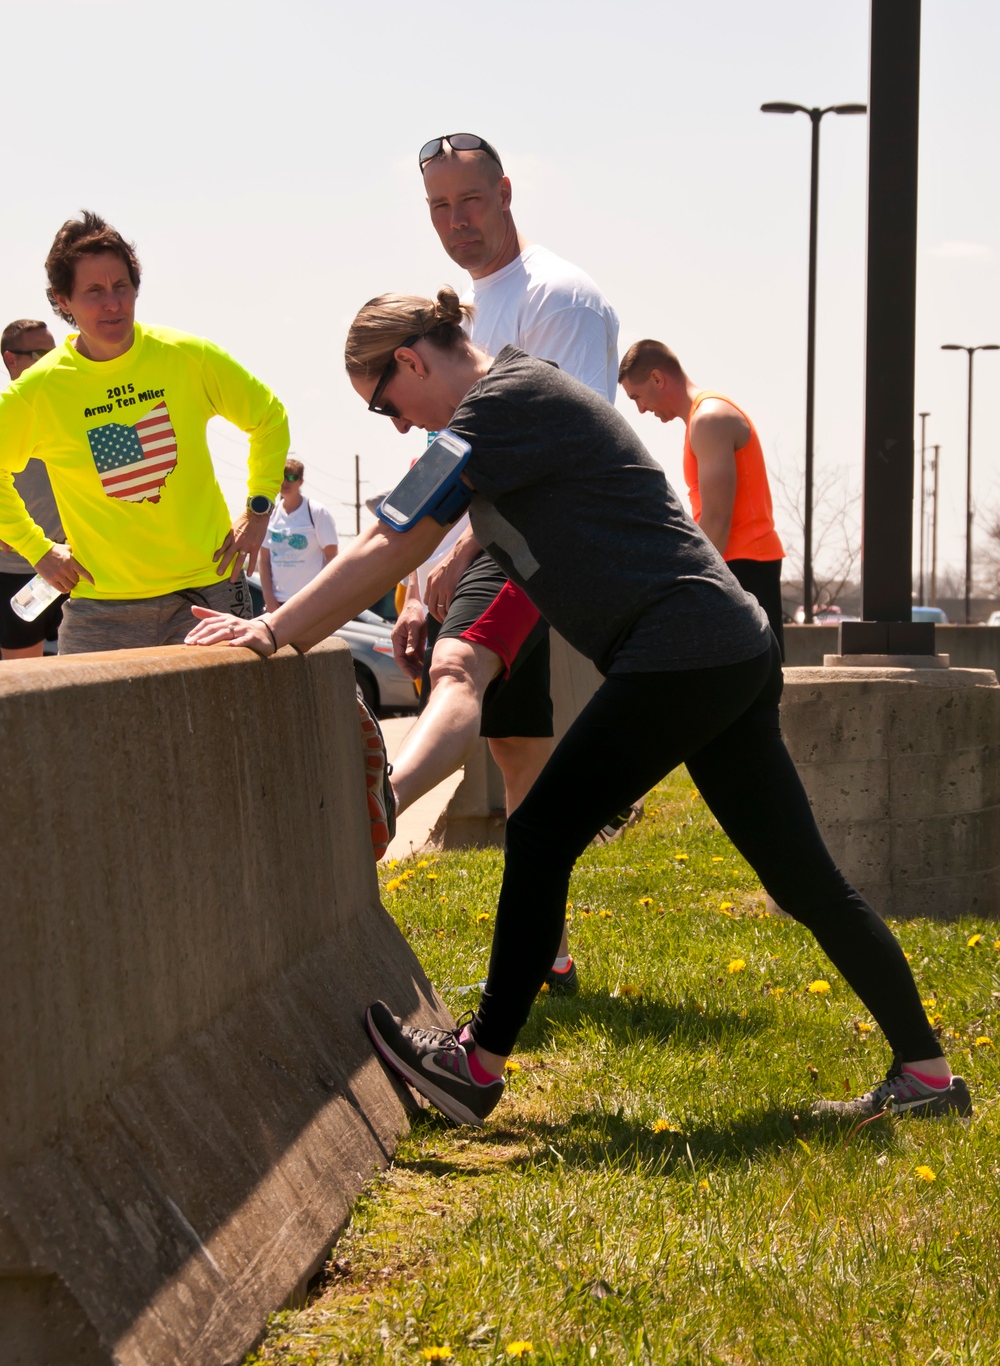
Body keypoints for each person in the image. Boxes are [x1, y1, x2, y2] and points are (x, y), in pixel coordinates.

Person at [185, 287, 971, 1131]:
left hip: (684, 649)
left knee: (543, 827)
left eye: (385, 405)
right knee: (799, 874)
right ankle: (929, 1077)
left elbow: (392, 539)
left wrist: (271, 629)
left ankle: (477, 1065)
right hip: (725, 645)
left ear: (410, 361)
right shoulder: (523, 392)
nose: (397, 425)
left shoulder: (497, 409)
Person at [389, 134, 622, 991]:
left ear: (507, 191)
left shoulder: (560, 298)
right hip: (479, 533)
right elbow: (448, 452)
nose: (458, 221)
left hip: (528, 534)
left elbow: (552, 454)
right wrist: (421, 575)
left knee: (458, 668)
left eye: (472, 200)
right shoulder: (458, 313)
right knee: (519, 750)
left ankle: (382, 799)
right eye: (440, 207)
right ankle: (547, 952)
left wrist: (449, 565)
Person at [0, 212, 289, 653]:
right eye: (94, 292)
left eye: (121, 286)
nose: (112, 304)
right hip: (99, 607)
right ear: (64, 301)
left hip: (206, 593)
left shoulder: (187, 356)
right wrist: (36, 548)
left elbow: (268, 416)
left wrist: (258, 508)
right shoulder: (37, 391)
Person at [619, 340, 786, 654]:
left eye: (637, 397)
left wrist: (696, 589)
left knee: (747, 688)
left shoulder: (709, 419)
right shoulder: (703, 418)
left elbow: (716, 519)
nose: (641, 409)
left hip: (743, 567)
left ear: (657, 378)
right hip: (739, 566)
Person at [0, 320, 66, 659]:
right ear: (12, 360)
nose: (53, 360)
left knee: (88, 680)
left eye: (56, 352)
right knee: (23, 686)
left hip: (76, 567)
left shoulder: (70, 412)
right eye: (41, 353)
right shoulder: (4, 417)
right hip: (17, 575)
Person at [259, 459, 339, 612]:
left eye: (291, 477)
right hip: (278, 602)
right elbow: (263, 561)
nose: (285, 482)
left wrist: (320, 595)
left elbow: (332, 557)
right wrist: (269, 599)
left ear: (301, 481)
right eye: (282, 477)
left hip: (309, 600)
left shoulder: (316, 512)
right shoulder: (271, 514)